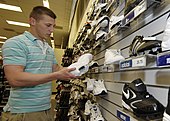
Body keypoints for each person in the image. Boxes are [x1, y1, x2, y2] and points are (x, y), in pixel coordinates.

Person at [1, 6, 77, 121]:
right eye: (48, 25)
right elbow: (15, 79)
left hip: (46, 109)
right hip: (23, 113)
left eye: (53, 26)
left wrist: (76, 70)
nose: (51, 30)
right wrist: (56, 76)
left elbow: (56, 69)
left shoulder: (47, 48)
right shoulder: (15, 43)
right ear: (32, 21)